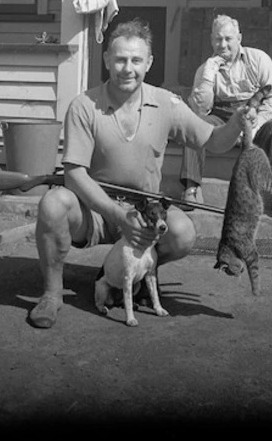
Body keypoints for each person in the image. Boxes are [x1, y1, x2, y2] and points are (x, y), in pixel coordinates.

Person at [29, 18, 256, 329]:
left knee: (183, 233)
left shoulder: (167, 103)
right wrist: (116, 214)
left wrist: (236, 124)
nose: (127, 68)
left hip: (146, 211)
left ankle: (132, 271)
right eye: (120, 59)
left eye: (136, 60)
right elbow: (74, 174)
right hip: (95, 208)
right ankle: (52, 295)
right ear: (107, 59)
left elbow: (215, 142)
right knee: (52, 204)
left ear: (149, 62)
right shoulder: (83, 105)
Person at [180, 14, 272, 218]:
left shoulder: (258, 59)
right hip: (221, 119)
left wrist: (255, 124)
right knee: (196, 124)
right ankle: (191, 188)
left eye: (228, 38)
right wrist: (208, 77)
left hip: (254, 114)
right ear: (211, 41)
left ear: (239, 38)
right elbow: (200, 109)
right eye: (218, 39)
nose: (223, 44)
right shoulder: (206, 69)